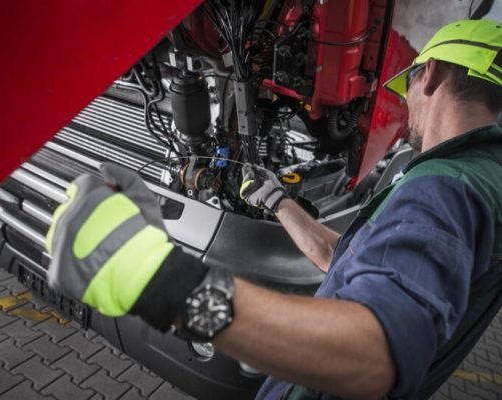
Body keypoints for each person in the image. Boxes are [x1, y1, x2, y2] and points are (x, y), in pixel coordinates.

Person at [46, 19, 502, 400]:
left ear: (435, 72)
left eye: (411, 83)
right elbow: (342, 257)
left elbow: (375, 351)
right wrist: (276, 200)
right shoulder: (481, 179)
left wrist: (154, 280)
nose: (407, 103)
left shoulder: (445, 186)